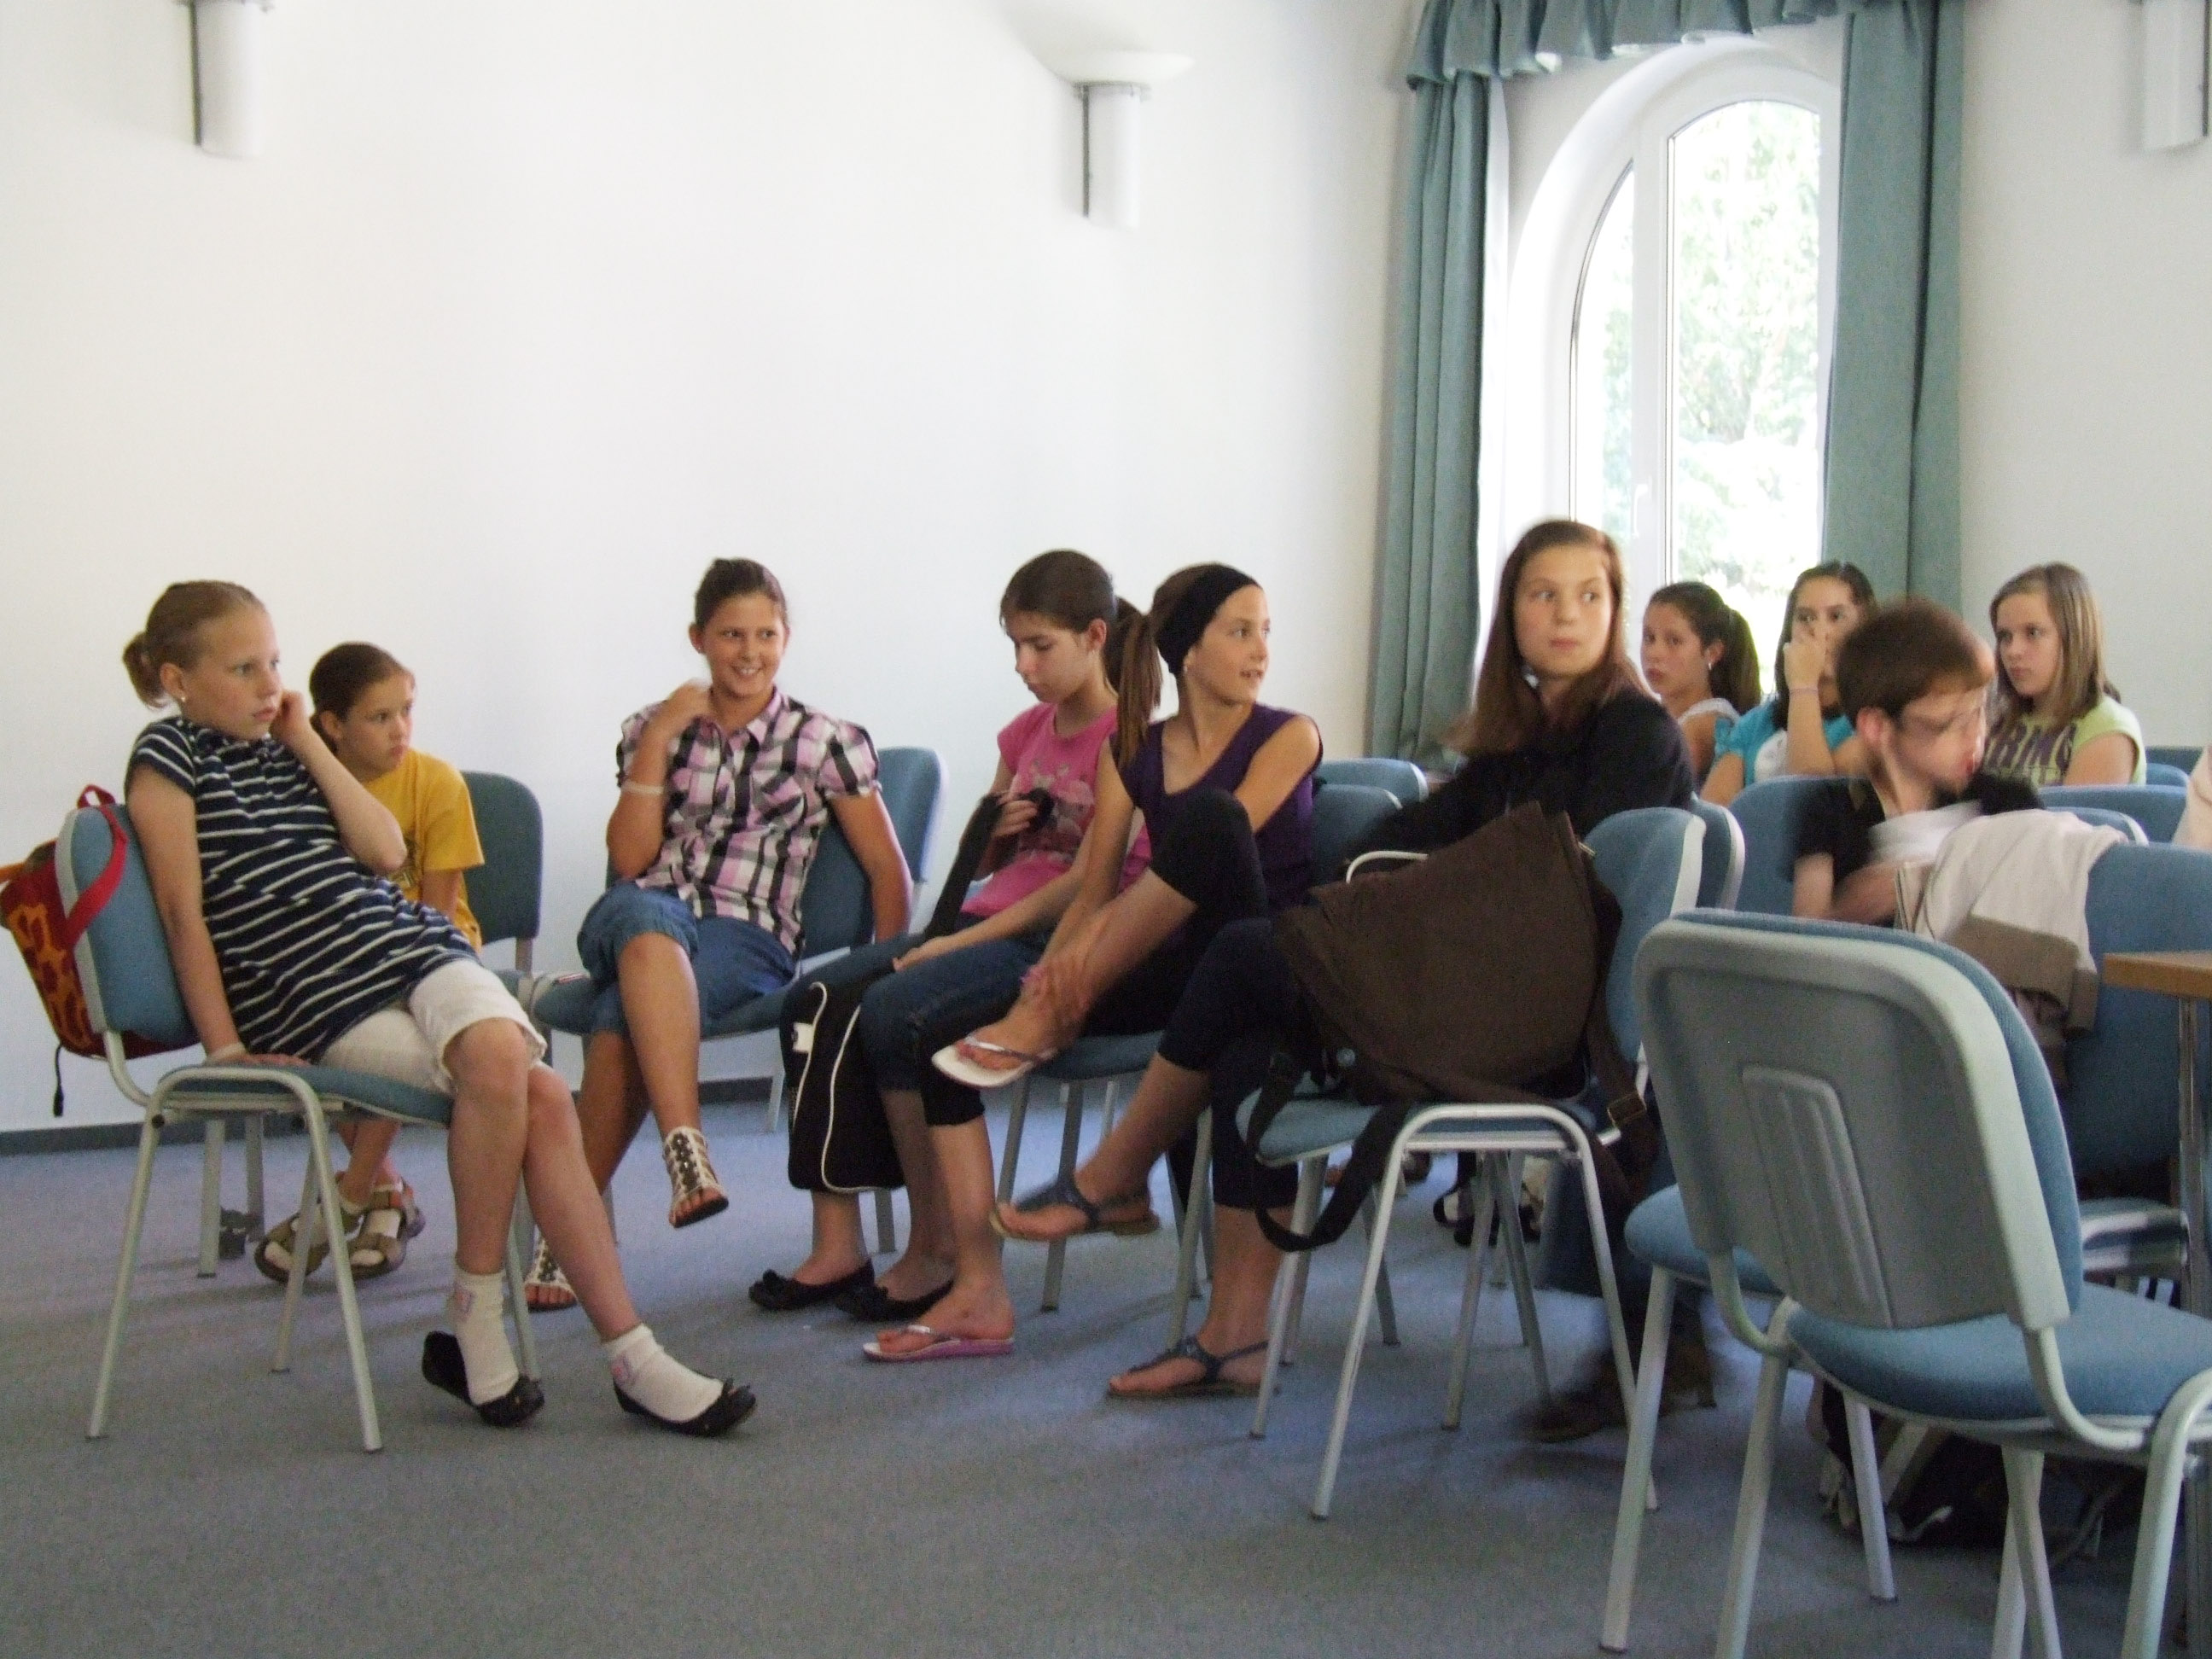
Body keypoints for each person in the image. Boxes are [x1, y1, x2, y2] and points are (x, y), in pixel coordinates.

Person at [996, 519, 1694, 1402]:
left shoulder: (1636, 733)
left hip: (1542, 1022)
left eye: (1589, 596)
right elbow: (1397, 839)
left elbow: (1556, 893)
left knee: (1247, 950)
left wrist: (1402, 901)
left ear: (1616, 611)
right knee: (1252, 1047)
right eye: (1543, 594)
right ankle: (1234, 1338)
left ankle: (1120, 1169)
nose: (1566, 614)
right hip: (1468, 989)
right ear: (1511, 612)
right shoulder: (1513, 745)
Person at [123, 581, 749, 1433]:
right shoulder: (169, 755)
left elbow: (384, 854)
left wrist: (305, 741)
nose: (270, 684)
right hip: (315, 994)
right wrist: (225, 1049)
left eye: (273, 662)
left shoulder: (288, 749)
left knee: (508, 1062)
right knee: (532, 1089)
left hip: (410, 943)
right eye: (243, 670)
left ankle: (498, 1323)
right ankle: (617, 1353)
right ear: (177, 680)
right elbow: (180, 911)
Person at [861, 563, 1321, 1361]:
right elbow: (1093, 886)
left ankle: (1088, 1117)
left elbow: (1213, 857)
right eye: (1241, 632)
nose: (1261, 651)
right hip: (1169, 967)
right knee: (950, 1051)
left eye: (1265, 632)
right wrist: (1054, 971)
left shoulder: (1290, 735)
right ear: (1188, 649)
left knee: (1211, 823)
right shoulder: (1136, 751)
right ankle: (978, 1292)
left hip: (1256, 958)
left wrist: (1075, 975)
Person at [746, 550, 1139, 1318]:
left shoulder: (1127, 740)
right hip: (985, 919)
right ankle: (840, 1245)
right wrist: (996, 833)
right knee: (813, 1002)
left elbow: (1080, 890)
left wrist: (949, 946)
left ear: (1096, 637)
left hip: (1048, 938)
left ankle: (936, 1247)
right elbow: (983, 861)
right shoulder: (1025, 731)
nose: (1023, 666)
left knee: (896, 1009)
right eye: (1015, 646)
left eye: (1040, 646)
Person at [531, 560, 911, 1309]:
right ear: (698, 639)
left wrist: (887, 964)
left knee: (621, 1013)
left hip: (747, 932)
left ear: (786, 638)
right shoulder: (651, 727)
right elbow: (631, 860)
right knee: (646, 920)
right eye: (732, 635)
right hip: (639, 911)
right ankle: (688, 1147)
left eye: (766, 635)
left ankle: (560, 1241)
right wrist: (662, 736)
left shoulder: (822, 740)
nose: (749, 652)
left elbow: (885, 868)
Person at [250, 642, 489, 1285]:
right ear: (331, 725)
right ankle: (387, 1195)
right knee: (331, 1024)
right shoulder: (303, 781)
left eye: (406, 710)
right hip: (343, 955)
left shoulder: (436, 783)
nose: (401, 729)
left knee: (386, 1013)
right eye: (381, 717)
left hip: (432, 944)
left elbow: (439, 914)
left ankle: (354, 1192)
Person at [1794, 598, 2040, 925]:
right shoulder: (1831, 810)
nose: (1976, 737)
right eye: (1949, 724)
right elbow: (1808, 937)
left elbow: (2040, 907)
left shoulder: (2007, 803)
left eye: (1981, 711)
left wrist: (1934, 878)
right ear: (1877, 727)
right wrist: (1853, 908)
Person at [1702, 562, 1877, 806]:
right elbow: (1715, 812)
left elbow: (1812, 801)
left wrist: (1804, 686)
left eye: (1836, 617)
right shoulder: (1757, 724)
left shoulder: (1872, 723)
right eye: (1805, 618)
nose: (1818, 630)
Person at [1982, 562, 2145, 788]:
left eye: (2033, 633)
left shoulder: (2106, 726)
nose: (2013, 651)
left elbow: (2075, 812)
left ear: (2074, 638)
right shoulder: (1995, 719)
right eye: (2005, 636)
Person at [1639, 581, 1760, 781]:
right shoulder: (1659, 718)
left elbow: (1649, 789)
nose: (1654, 653)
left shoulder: (1705, 725)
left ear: (1712, 652)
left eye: (1674, 641)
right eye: (1649, 638)